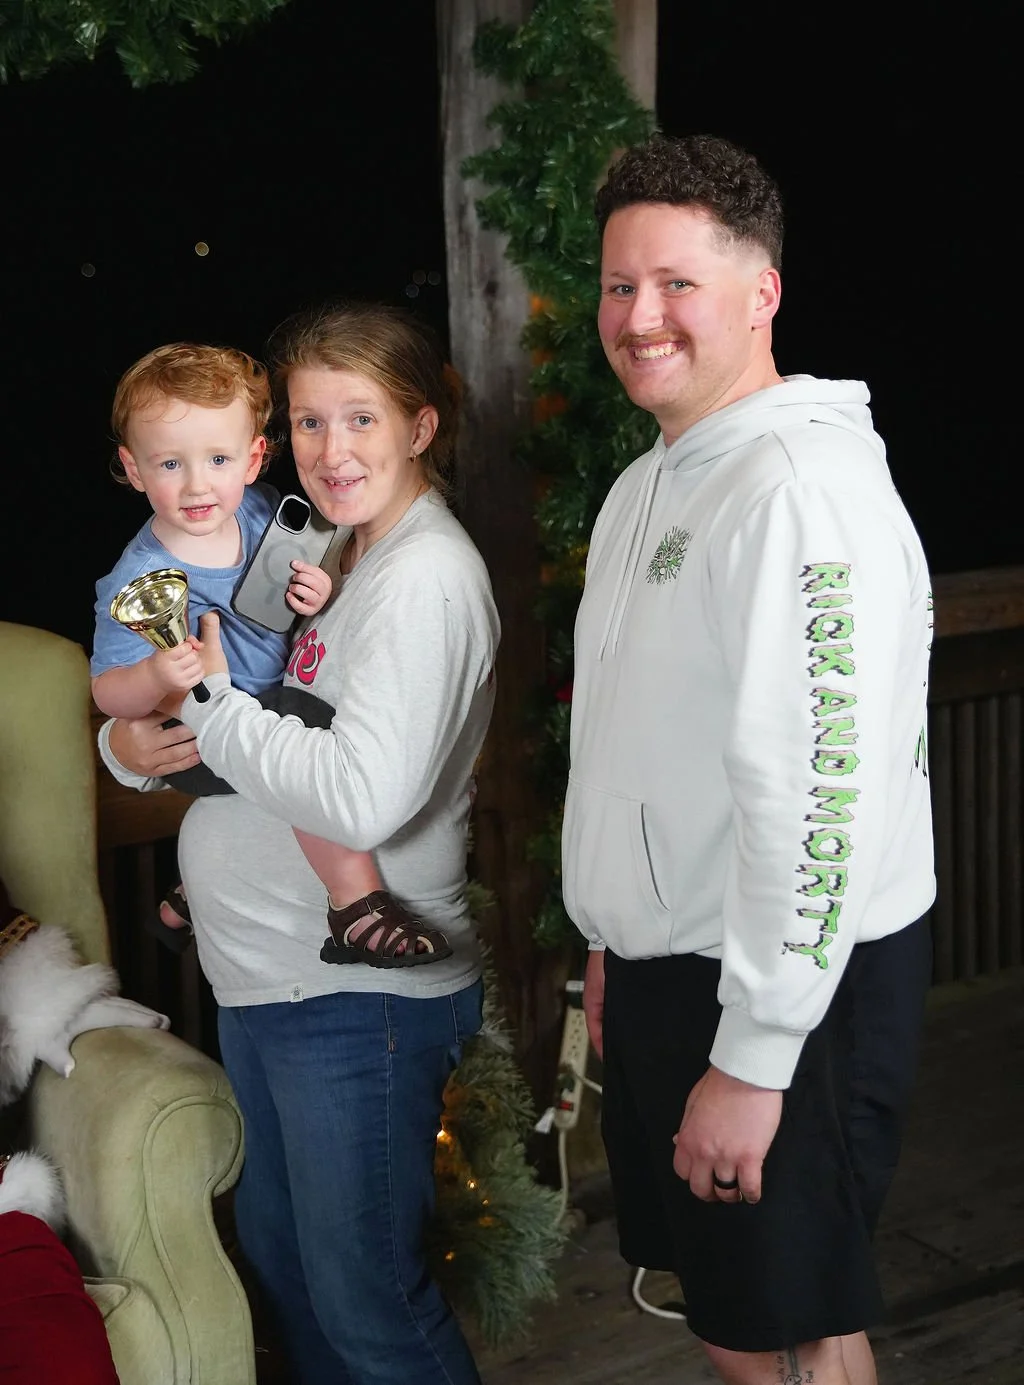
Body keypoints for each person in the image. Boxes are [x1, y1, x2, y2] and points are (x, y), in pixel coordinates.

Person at [561, 133, 935, 1385]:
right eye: (620, 285)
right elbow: (648, 742)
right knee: (734, 1317)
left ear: (761, 290)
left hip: (787, 984)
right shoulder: (650, 483)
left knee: (790, 1330)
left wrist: (754, 1052)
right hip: (682, 966)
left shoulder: (794, 487)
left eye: (676, 283)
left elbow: (820, 785)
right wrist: (616, 938)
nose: (640, 316)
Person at [95, 302, 498, 1385]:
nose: (331, 451)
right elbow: (239, 707)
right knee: (289, 1265)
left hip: (354, 1000)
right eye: (311, 422)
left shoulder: (421, 578)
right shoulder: (336, 552)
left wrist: (212, 696)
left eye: (359, 419)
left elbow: (356, 794)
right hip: (270, 978)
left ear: (419, 426)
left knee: (368, 1295)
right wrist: (132, 743)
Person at [91, 342, 451, 968]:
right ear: (133, 467)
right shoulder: (138, 577)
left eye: (219, 459)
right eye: (170, 463)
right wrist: (151, 675)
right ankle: (355, 904)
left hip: (249, 716)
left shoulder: (259, 513)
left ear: (254, 459)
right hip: (195, 737)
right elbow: (107, 694)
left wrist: (319, 589)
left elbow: (290, 602)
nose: (198, 484)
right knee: (305, 725)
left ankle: (188, 897)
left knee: (296, 718)